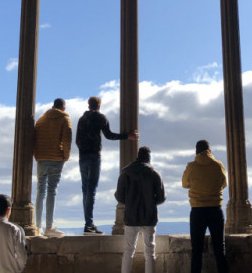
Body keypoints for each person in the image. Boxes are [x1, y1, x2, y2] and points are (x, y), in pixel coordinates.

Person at [76, 96, 138, 235]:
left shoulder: (81, 119)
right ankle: (89, 225)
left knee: (85, 190)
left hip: (82, 156)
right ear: (99, 106)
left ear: (88, 105)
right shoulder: (101, 117)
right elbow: (109, 135)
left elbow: (77, 140)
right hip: (94, 156)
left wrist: (83, 150)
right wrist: (127, 136)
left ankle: (89, 223)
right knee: (91, 190)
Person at [115, 146, 166, 273]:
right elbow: (161, 198)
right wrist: (150, 202)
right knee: (150, 252)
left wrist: (130, 202)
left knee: (128, 251)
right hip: (149, 216)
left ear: (137, 156)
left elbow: (119, 197)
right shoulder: (154, 173)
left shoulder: (125, 172)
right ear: (149, 157)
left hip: (131, 216)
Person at [182, 140, 228, 273]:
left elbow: (185, 184)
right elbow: (224, 183)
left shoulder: (191, 166)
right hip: (215, 209)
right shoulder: (218, 165)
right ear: (209, 151)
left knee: (196, 249)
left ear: (196, 152)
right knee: (220, 249)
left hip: (197, 210)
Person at [34, 97, 72, 237]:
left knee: (40, 190)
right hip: (56, 158)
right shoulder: (64, 119)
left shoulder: (41, 120)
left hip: (41, 159)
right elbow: (67, 139)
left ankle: (37, 226)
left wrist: (37, 155)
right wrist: (65, 156)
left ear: (52, 106)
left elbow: (34, 138)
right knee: (51, 191)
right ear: (63, 108)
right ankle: (49, 226)